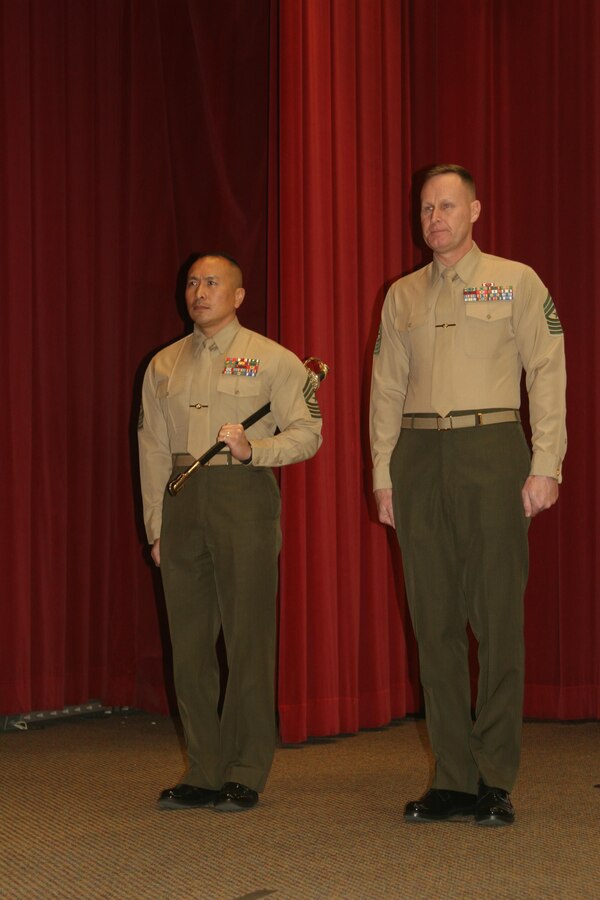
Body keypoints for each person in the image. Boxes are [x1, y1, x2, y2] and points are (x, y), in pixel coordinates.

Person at [369, 164, 566, 826]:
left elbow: (546, 370)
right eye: (426, 208)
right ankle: (452, 777)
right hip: (420, 457)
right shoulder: (402, 297)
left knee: (497, 619)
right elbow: (386, 390)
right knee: (435, 621)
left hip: (491, 449)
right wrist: (382, 474)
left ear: (476, 210)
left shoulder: (516, 282)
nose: (435, 217)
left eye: (448, 205)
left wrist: (546, 464)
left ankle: (495, 777)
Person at [138, 253, 323, 811]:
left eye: (213, 282)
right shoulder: (163, 364)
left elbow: (308, 433)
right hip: (182, 499)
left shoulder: (274, 360)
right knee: (190, 644)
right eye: (192, 281)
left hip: (243, 497)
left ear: (239, 296)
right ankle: (203, 767)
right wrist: (156, 525)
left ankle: (245, 768)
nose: (200, 291)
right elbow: (149, 447)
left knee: (247, 640)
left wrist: (253, 450)